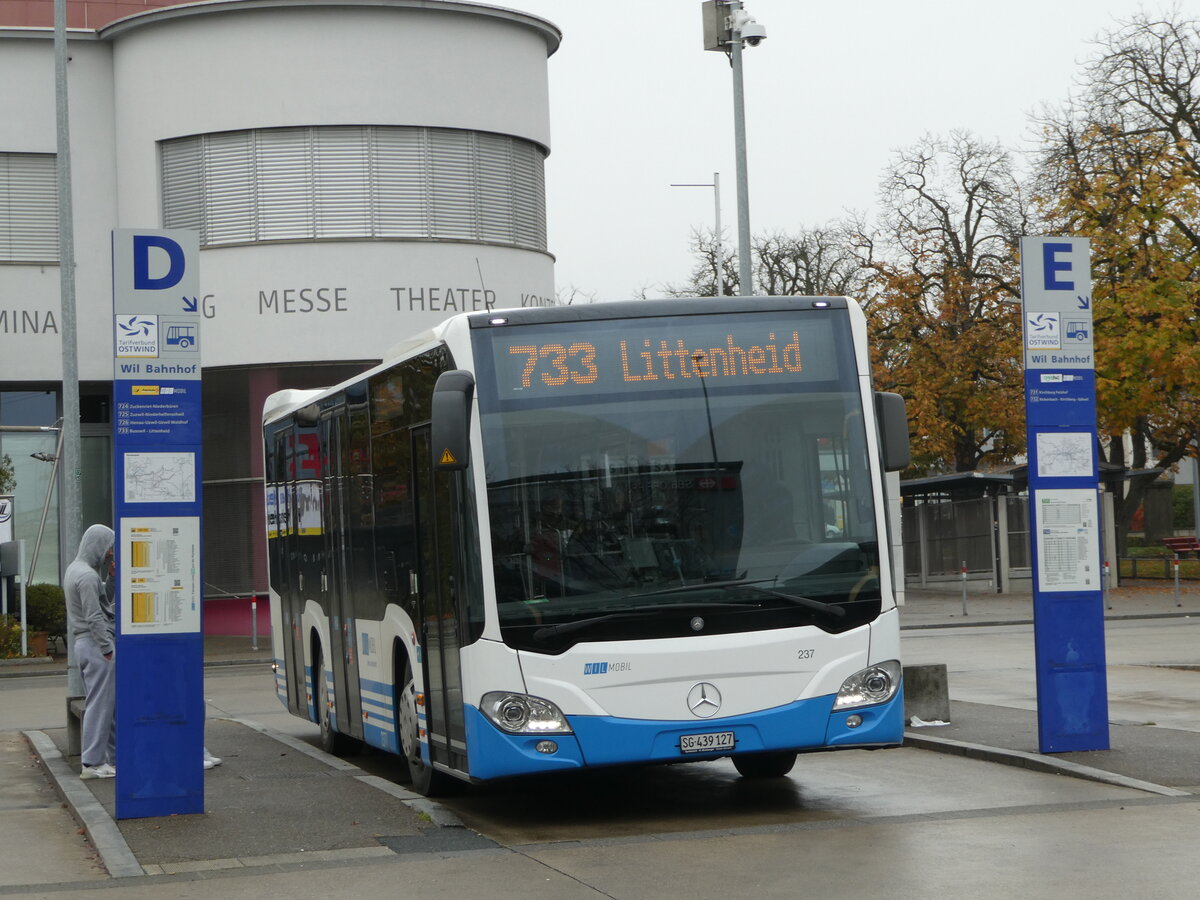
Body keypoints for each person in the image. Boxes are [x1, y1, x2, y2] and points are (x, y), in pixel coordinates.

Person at [65, 524, 117, 780]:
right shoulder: (86, 576)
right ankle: (93, 762)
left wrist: (112, 578)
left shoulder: (76, 570)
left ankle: (106, 759)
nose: (109, 554)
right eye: (108, 548)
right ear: (97, 545)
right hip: (95, 644)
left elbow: (101, 600)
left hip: (84, 644)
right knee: (100, 705)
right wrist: (106, 647)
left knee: (105, 703)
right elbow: (95, 615)